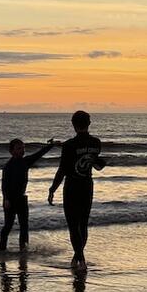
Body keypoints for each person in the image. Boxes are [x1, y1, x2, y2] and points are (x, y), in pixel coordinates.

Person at [48, 110, 105, 270]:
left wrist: (52, 189)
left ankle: (80, 260)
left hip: (72, 187)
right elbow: (97, 165)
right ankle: (78, 259)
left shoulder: (69, 145)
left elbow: (62, 170)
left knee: (73, 226)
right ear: (89, 124)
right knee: (83, 224)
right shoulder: (96, 143)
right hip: (87, 185)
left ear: (73, 125)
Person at [0, 137, 54, 253]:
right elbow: (4, 185)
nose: (22, 150)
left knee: (24, 226)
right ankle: (2, 249)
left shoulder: (25, 162)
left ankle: (23, 250)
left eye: (23, 148)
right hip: (10, 199)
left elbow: (38, 154)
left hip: (22, 199)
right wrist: (6, 199)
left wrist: (50, 146)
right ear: (12, 151)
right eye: (19, 148)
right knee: (8, 226)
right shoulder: (8, 167)